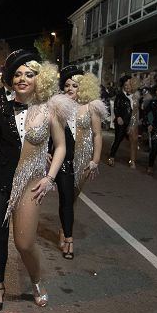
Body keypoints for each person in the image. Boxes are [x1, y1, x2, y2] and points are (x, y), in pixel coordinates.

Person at [0, 49, 72, 310]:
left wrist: (50, 178)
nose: (22, 79)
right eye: (17, 74)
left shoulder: (51, 109)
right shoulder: (2, 107)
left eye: (29, 74)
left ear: (38, 79)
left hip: (31, 181)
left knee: (24, 242)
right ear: (10, 79)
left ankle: (36, 280)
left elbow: (61, 147)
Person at [56, 67, 105, 259]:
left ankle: (63, 226)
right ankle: (67, 235)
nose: (69, 89)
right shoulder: (59, 107)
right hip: (65, 159)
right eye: (66, 85)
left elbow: (97, 135)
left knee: (73, 197)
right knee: (66, 197)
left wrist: (96, 160)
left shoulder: (92, 106)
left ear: (83, 88)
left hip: (84, 160)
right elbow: (53, 135)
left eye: (74, 85)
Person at [107, 75, 139, 168]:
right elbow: (116, 107)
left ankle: (132, 160)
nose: (127, 86)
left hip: (133, 122)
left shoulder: (136, 96)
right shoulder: (120, 96)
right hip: (121, 122)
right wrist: (118, 117)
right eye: (125, 85)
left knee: (133, 141)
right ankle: (111, 157)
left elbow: (138, 110)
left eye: (129, 84)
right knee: (118, 139)